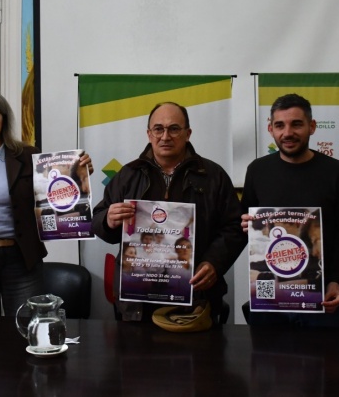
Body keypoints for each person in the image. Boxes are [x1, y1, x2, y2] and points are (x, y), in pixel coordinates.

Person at [92, 102, 246, 322]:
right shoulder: (128, 175)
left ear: (188, 134)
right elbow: (98, 220)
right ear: (149, 134)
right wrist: (107, 220)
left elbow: (234, 227)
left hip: (195, 297)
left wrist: (214, 262)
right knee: (134, 347)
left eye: (174, 129)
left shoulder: (213, 176)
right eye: (158, 129)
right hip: (138, 302)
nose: (165, 136)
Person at [0, 90, 92, 317]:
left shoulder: (28, 156)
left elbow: (54, 197)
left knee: (27, 326)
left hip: (21, 257)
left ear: (4, 120)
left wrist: (78, 175)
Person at [240, 94, 339, 327]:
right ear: (270, 129)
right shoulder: (257, 171)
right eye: (280, 125)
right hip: (269, 297)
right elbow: (243, 222)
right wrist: (245, 224)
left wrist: (336, 281)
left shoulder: (337, 172)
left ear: (312, 126)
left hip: (322, 296)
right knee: (265, 351)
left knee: (325, 352)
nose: (288, 133)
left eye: (296, 124)